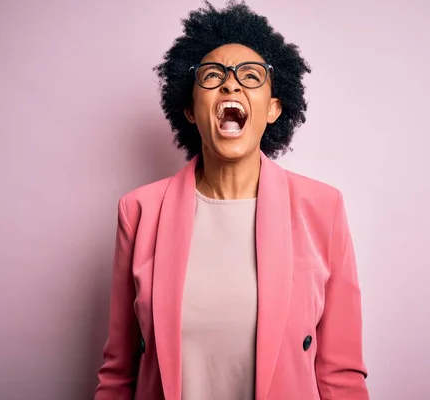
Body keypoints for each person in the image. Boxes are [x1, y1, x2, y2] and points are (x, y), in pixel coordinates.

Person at [94, 1, 369, 399]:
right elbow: (119, 372)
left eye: (251, 76)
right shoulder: (139, 212)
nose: (230, 84)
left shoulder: (323, 209)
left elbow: (341, 375)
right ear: (189, 109)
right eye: (212, 76)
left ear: (274, 108)